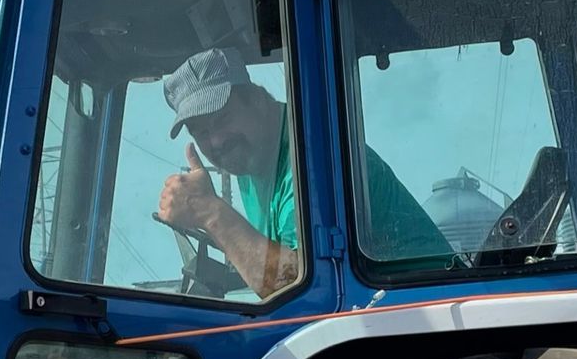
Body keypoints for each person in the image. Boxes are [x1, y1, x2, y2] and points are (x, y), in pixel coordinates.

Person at [155, 47, 444, 296]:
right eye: (201, 132)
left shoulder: (311, 157)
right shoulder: (252, 157)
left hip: (425, 311)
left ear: (256, 99)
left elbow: (300, 289)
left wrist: (210, 213)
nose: (215, 141)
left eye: (222, 119)